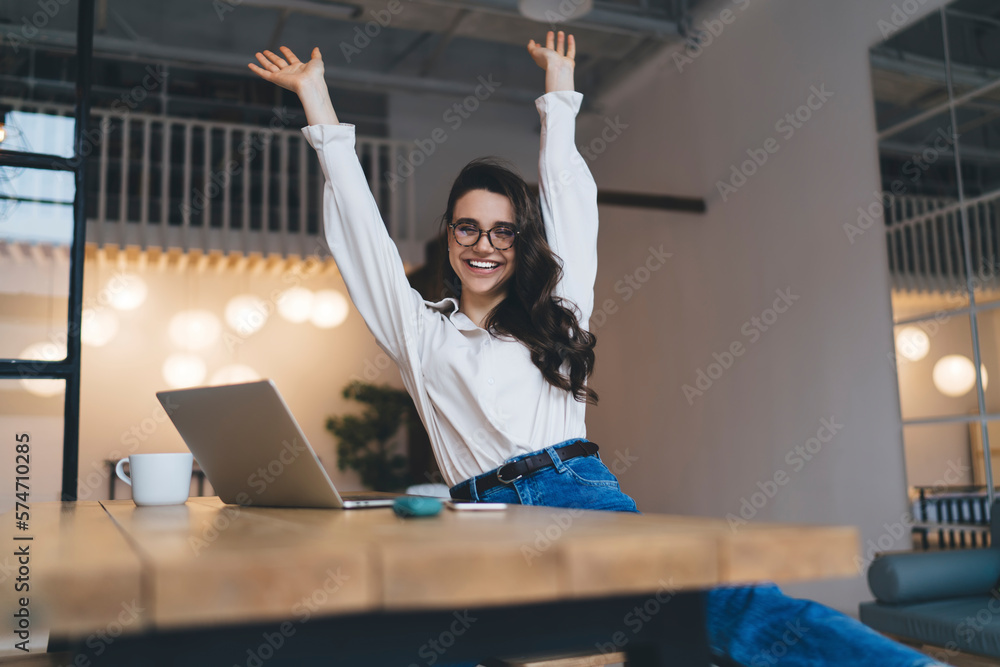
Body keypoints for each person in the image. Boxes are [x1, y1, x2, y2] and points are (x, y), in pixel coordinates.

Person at [248, 32, 944, 667]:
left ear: (519, 241)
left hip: (574, 493)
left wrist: (558, 98)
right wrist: (319, 102)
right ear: (450, 235)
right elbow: (364, 238)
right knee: (421, 635)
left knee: (728, 602)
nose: (483, 245)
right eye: (468, 229)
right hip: (476, 519)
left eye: (502, 231)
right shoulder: (417, 327)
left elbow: (571, 203)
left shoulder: (558, 307)